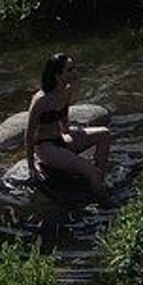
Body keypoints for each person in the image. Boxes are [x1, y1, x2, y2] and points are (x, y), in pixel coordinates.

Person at [25, 53, 112, 204]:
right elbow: (29, 133)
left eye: (74, 68)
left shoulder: (67, 90)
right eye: (70, 70)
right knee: (92, 172)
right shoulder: (41, 99)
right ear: (58, 75)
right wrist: (31, 165)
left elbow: (63, 118)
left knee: (104, 133)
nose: (75, 73)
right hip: (45, 147)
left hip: (61, 138)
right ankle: (105, 207)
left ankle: (99, 181)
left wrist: (72, 131)